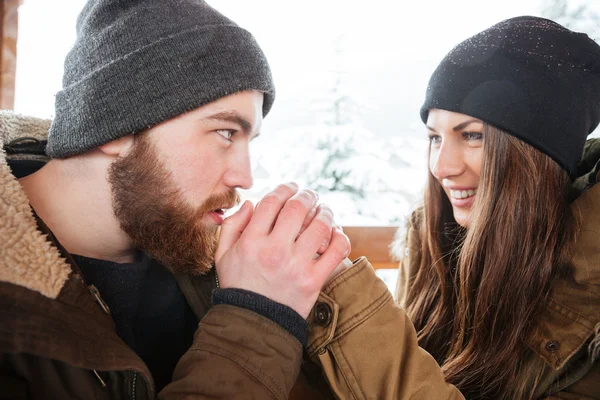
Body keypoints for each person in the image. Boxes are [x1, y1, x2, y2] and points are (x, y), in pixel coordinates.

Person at [0, 0, 351, 398]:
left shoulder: (184, 243)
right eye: (225, 133)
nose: (245, 177)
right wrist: (256, 318)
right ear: (116, 125)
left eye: (248, 140)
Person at [297, 16, 600, 400]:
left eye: (472, 135)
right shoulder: (432, 237)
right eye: (435, 137)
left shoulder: (591, 293)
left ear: (537, 156)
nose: (441, 167)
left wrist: (353, 309)